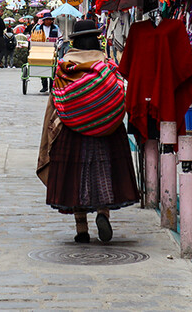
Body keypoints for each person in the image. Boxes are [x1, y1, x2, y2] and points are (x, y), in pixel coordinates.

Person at [37, 19, 138, 244]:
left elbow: (55, 99)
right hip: (107, 130)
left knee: (75, 177)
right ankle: (103, 213)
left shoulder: (65, 66)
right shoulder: (108, 65)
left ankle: (81, 228)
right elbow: (119, 93)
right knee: (104, 172)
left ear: (75, 42)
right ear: (96, 40)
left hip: (72, 131)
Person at [30, 11, 60, 93]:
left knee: (52, 67)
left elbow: (59, 37)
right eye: (47, 20)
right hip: (41, 49)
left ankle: (51, 86)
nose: (48, 21)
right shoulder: (38, 28)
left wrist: (58, 44)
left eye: (50, 20)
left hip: (52, 49)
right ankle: (44, 85)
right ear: (44, 20)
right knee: (42, 65)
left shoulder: (56, 28)